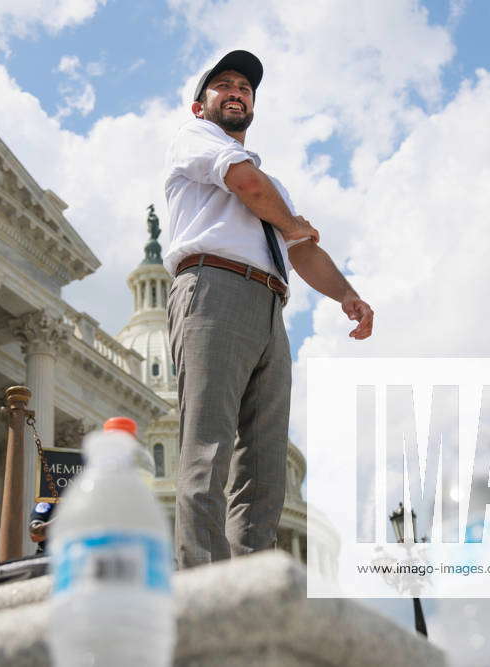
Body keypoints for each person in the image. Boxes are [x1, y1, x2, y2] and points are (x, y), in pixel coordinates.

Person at [164, 50, 374, 569]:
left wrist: (346, 294)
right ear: (200, 106)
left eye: (245, 87)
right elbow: (248, 188)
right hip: (213, 286)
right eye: (224, 85)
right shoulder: (198, 141)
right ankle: (204, 585)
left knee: (264, 460)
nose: (236, 91)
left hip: (269, 303)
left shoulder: (273, 187)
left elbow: (300, 248)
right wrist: (296, 226)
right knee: (208, 444)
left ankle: (251, 579)